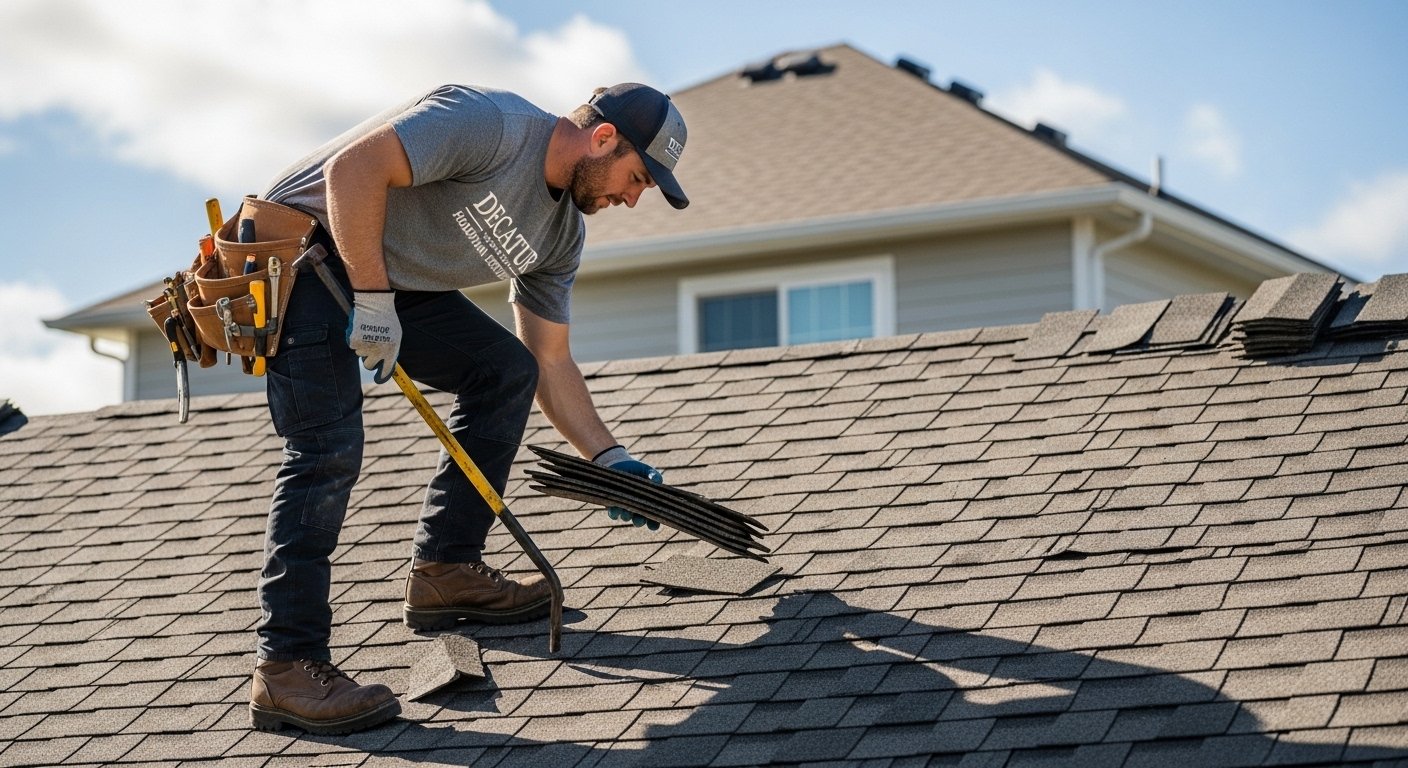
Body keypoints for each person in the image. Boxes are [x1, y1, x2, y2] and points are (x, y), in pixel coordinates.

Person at [246, 82, 689, 735]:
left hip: (387, 281)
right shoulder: (490, 124)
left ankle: (447, 570)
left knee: (508, 369)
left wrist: (608, 458)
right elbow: (353, 170)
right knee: (327, 451)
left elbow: (552, 361)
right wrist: (371, 301)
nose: (631, 196)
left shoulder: (560, 234)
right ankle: (285, 668)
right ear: (602, 138)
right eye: (638, 177)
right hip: (301, 252)